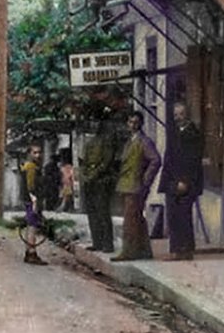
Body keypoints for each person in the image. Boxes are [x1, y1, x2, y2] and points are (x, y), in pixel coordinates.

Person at [111, 112, 161, 262]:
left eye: (136, 122)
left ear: (141, 124)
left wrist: (146, 179)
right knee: (137, 218)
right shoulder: (130, 141)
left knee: (130, 220)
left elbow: (156, 160)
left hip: (135, 186)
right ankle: (144, 250)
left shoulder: (144, 141)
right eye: (130, 122)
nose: (133, 125)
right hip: (127, 185)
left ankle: (129, 251)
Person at [163, 100, 207, 261]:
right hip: (172, 181)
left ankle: (185, 249)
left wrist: (185, 181)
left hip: (186, 182)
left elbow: (192, 160)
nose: (178, 117)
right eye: (175, 114)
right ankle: (176, 248)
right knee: (173, 215)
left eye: (181, 114)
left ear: (187, 115)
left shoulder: (193, 134)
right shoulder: (174, 132)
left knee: (183, 215)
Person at [79, 122, 120, 253]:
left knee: (103, 212)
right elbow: (83, 162)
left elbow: (106, 162)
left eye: (96, 123)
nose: (94, 126)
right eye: (92, 123)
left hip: (101, 180)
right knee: (92, 213)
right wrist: (84, 176)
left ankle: (107, 244)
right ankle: (96, 242)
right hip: (89, 181)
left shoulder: (106, 142)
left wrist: (94, 175)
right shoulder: (88, 142)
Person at [57, 149, 77, 213]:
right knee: (67, 196)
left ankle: (63, 207)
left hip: (67, 183)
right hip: (66, 183)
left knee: (66, 196)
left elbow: (68, 176)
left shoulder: (66, 167)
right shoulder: (66, 167)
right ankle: (68, 208)